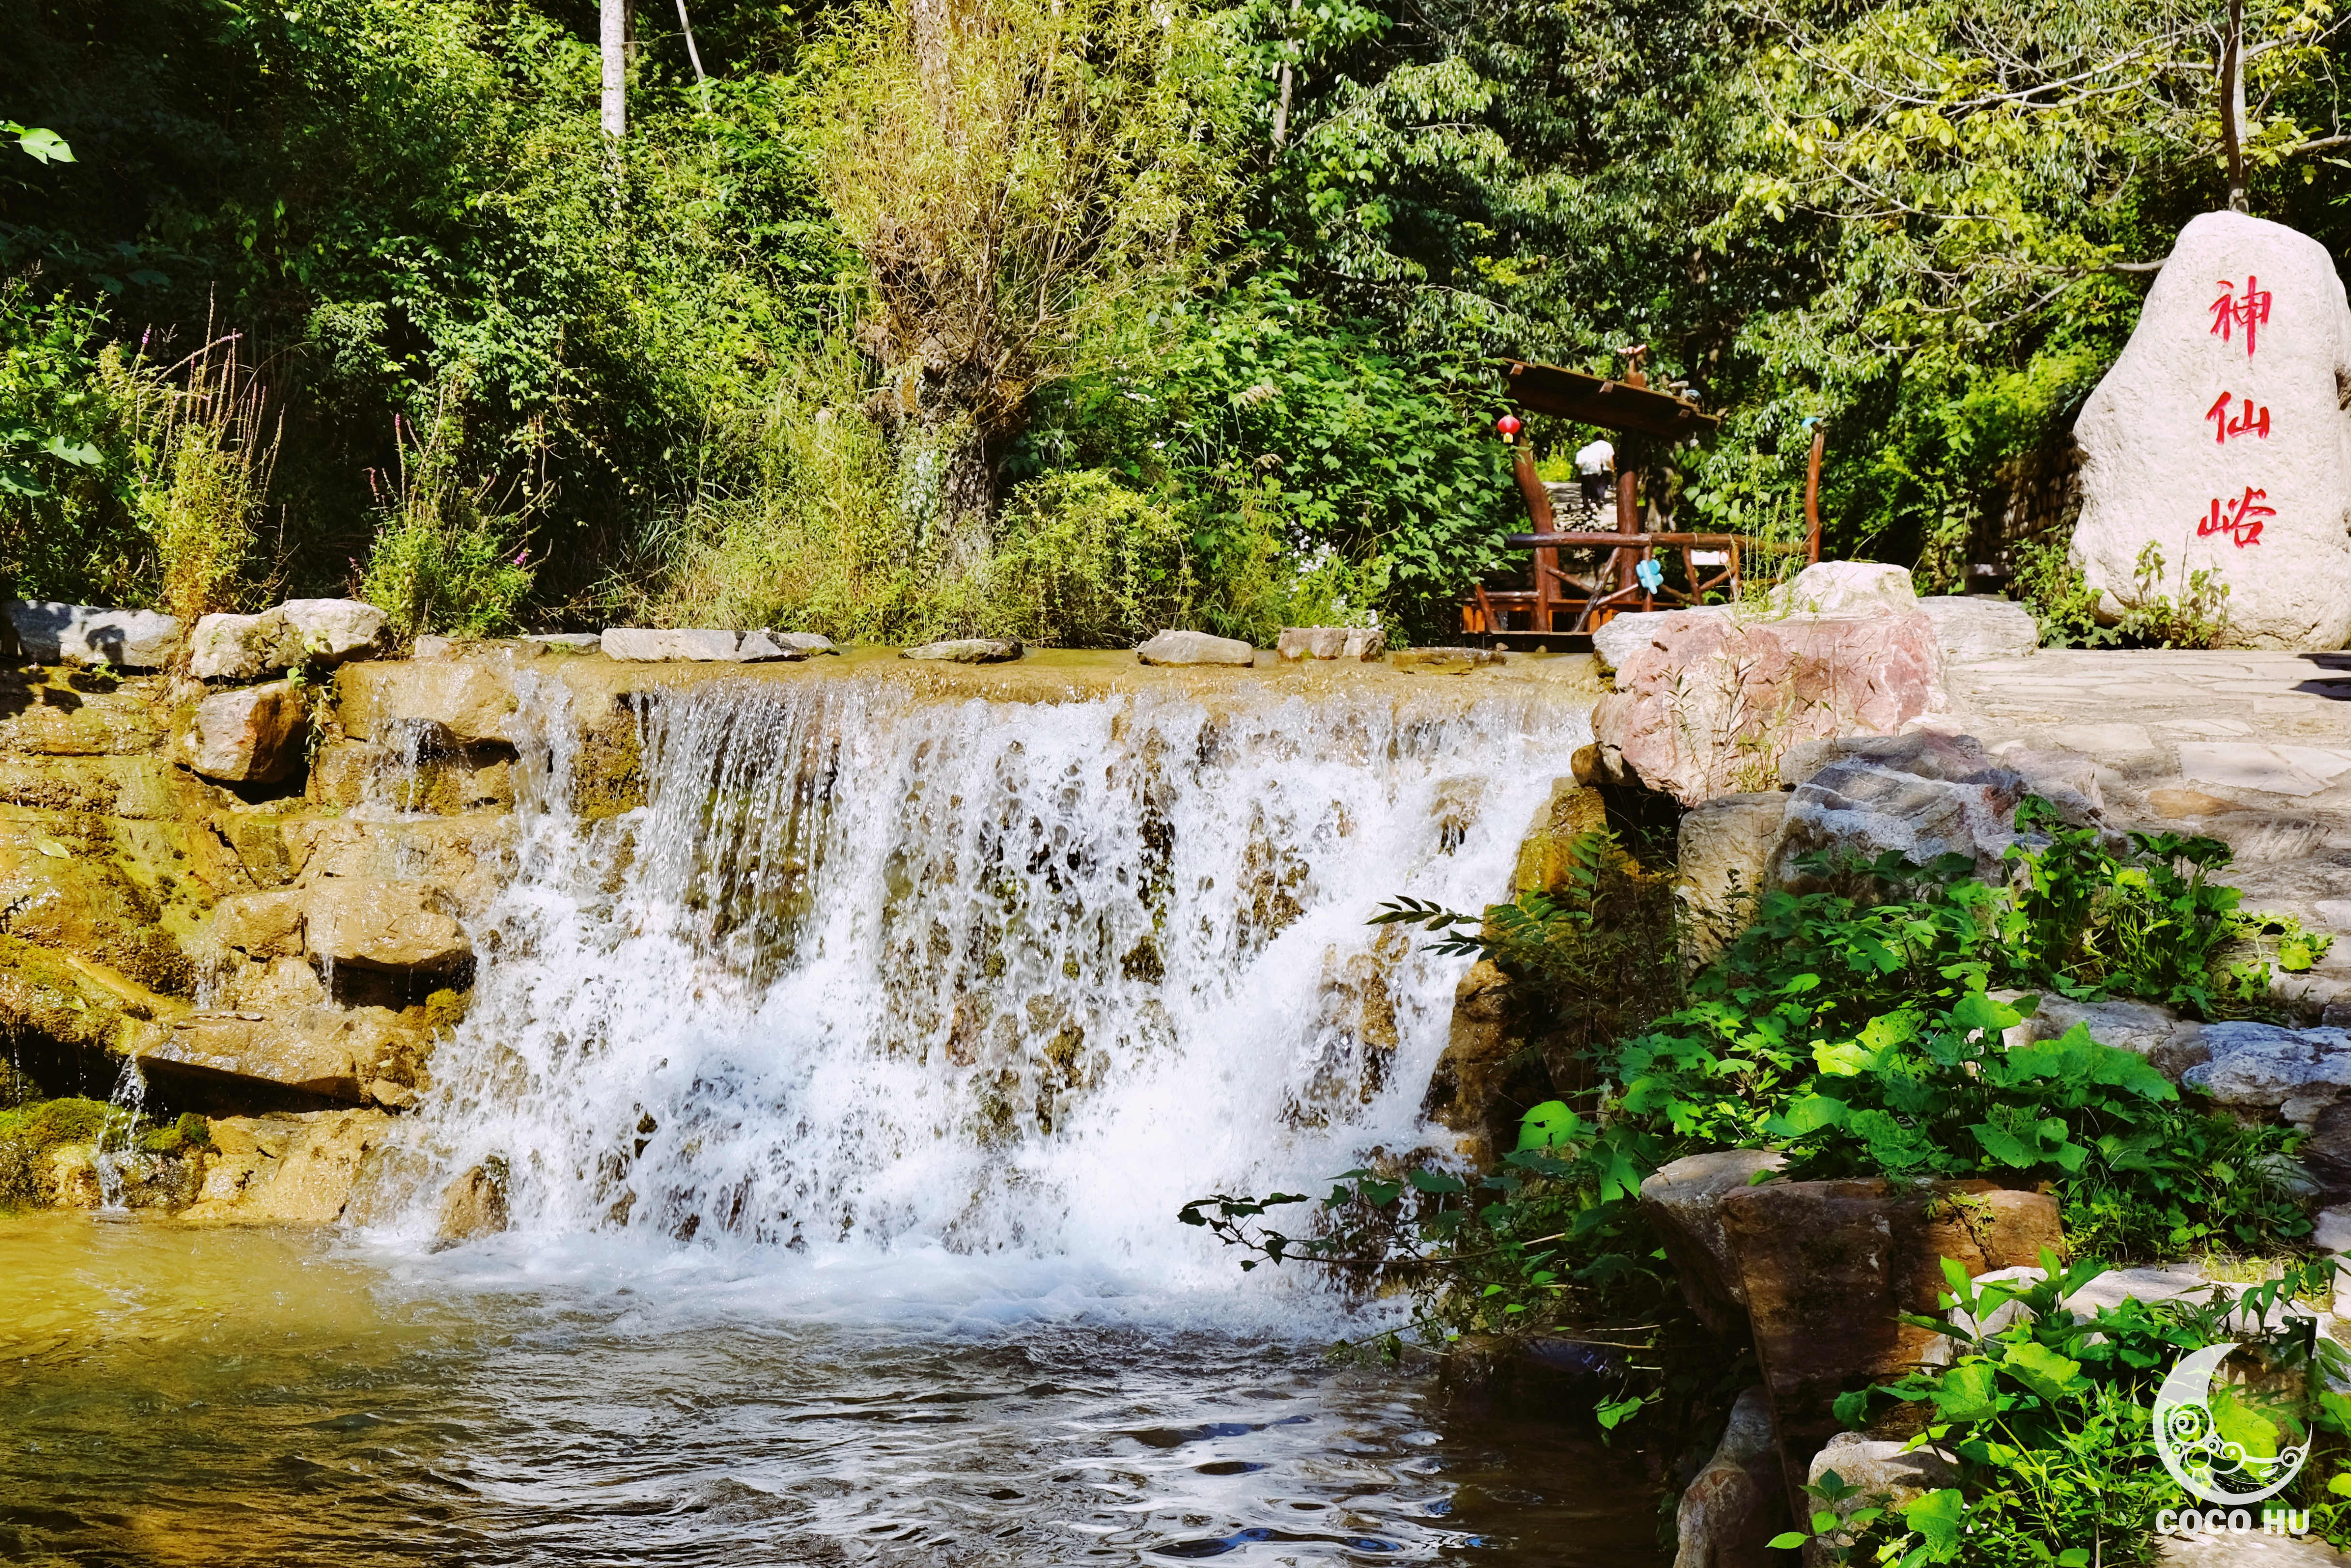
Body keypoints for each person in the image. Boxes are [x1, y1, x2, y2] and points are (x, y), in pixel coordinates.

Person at [1573, 437, 1615, 513]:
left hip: (1585, 473)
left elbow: (1579, 465)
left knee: (1585, 489)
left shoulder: (1580, 453)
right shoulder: (1594, 452)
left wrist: (1583, 469)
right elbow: (1601, 462)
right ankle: (1595, 502)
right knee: (1594, 488)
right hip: (1595, 473)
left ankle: (1586, 505)